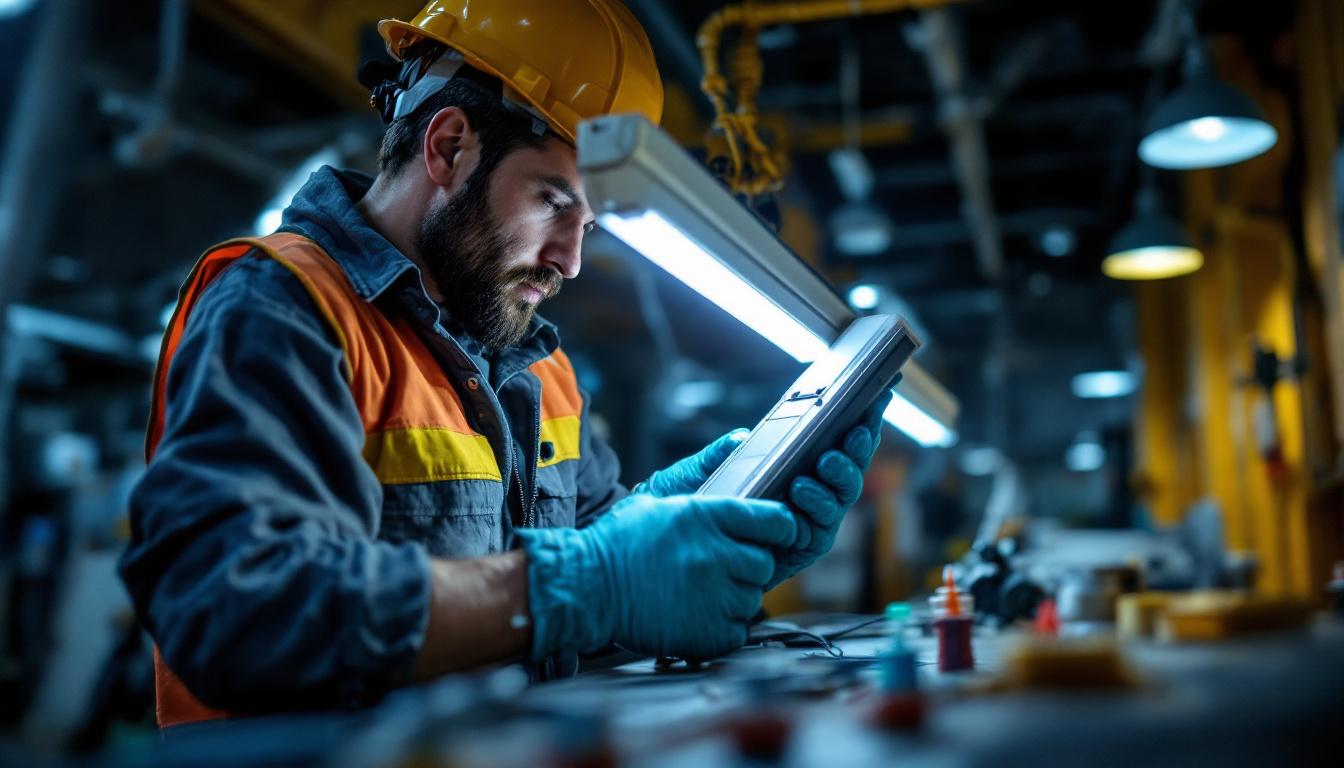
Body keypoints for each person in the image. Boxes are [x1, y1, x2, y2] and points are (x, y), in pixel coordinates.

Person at [119, 0, 891, 728]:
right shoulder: (286, 307)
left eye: (588, 221)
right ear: (449, 147)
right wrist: (589, 580)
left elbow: (579, 605)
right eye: (556, 202)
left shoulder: (536, 368)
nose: (573, 261)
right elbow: (234, 612)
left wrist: (711, 536)